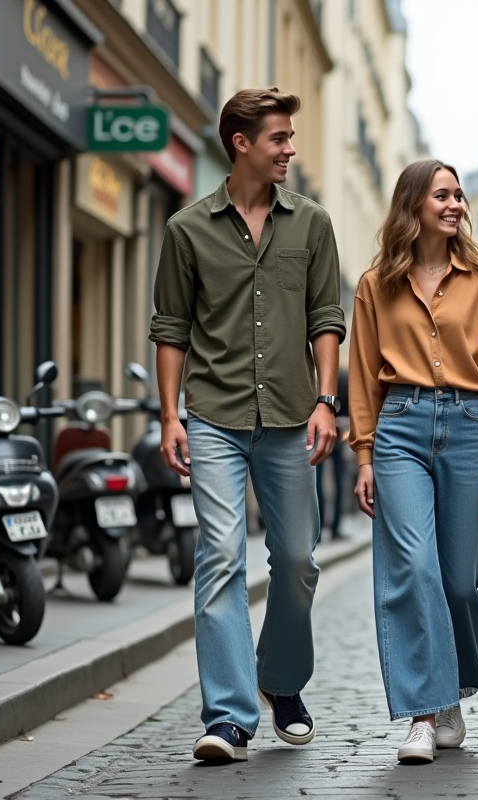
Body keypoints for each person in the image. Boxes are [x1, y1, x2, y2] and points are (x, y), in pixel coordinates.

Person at [150, 88, 345, 762]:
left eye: (290, 138)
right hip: (212, 415)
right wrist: (169, 415)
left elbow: (326, 317)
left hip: (292, 416)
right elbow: (171, 329)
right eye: (280, 139)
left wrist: (327, 400)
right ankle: (229, 716)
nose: (290, 149)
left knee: (297, 562)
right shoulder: (186, 229)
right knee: (221, 556)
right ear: (241, 144)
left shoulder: (312, 224)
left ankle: (280, 679)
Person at [349, 159, 478, 765]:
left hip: (471, 429)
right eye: (442, 195)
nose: (455, 204)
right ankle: (425, 712)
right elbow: (363, 376)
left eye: (458, 194)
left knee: (457, 579)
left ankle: (453, 684)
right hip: (399, 426)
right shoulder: (376, 285)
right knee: (414, 569)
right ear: (413, 205)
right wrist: (364, 454)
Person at [316, 368, 350, 539]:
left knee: (331, 482)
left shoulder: (343, 376)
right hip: (323, 436)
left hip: (333, 436)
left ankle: (327, 527)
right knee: (321, 483)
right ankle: (325, 527)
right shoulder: (343, 376)